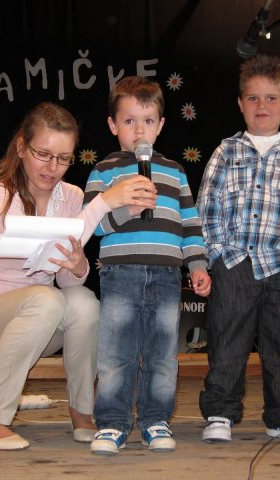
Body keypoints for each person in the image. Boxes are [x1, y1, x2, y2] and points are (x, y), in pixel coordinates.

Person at [0, 102, 157, 451]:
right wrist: (103, 203)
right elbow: (32, 250)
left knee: (84, 302)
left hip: (39, 322)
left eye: (63, 158)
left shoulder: (72, 196)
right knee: (45, 300)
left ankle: (82, 413)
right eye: (43, 154)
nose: (52, 168)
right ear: (21, 147)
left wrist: (77, 265)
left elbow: (67, 281)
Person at [196, 55, 280, 444]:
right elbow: (208, 208)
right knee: (227, 340)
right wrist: (219, 255)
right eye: (253, 98)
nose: (262, 106)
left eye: (272, 98)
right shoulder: (225, 152)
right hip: (235, 261)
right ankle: (220, 413)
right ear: (241, 103)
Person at [83, 76, 212, 455]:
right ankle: (112, 423)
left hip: (167, 276)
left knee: (161, 355)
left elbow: (190, 224)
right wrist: (126, 209)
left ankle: (156, 419)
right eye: (129, 121)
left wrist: (197, 264)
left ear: (161, 125)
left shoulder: (175, 171)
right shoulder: (104, 170)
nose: (139, 130)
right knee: (115, 354)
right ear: (112, 125)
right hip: (119, 275)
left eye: (148, 121)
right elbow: (92, 225)